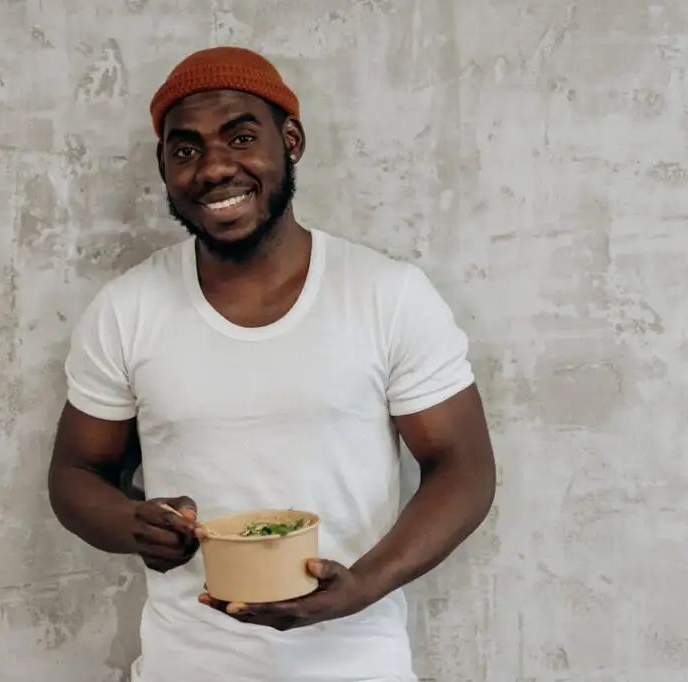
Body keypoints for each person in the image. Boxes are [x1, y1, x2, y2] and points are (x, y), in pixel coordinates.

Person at [48, 46, 496, 682]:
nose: (214, 168)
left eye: (241, 137)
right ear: (164, 167)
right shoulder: (127, 309)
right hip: (186, 666)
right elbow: (76, 471)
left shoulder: (386, 295)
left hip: (356, 665)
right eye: (186, 149)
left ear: (291, 141)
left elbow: (464, 467)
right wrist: (130, 522)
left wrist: (362, 585)